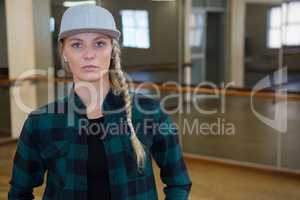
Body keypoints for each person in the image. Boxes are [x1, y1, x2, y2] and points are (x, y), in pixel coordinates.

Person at [8, 4, 192, 200]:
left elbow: (178, 181)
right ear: (64, 52)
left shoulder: (148, 112)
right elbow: (19, 192)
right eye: (77, 44)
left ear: (112, 50)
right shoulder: (41, 122)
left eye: (99, 44)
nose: (89, 54)